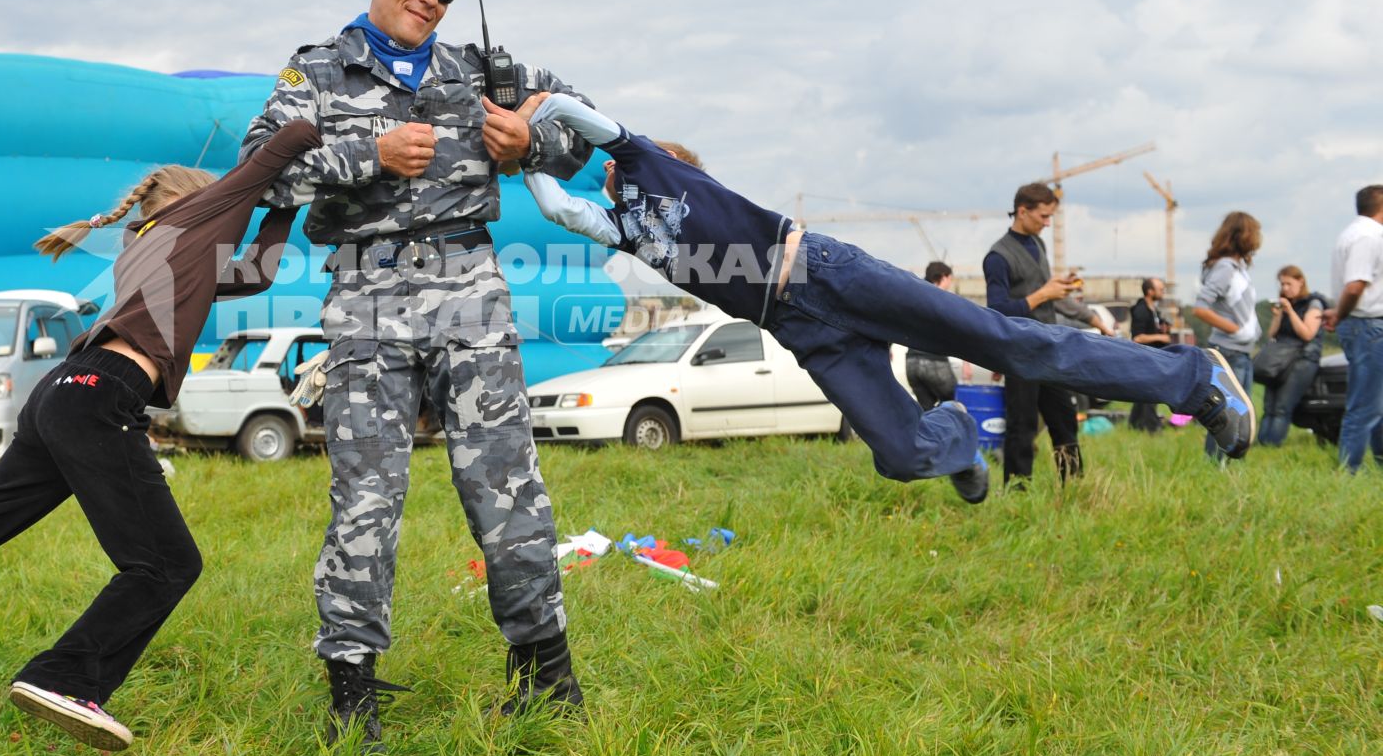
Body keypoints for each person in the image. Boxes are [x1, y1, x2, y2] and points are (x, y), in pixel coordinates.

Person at [0, 122, 320, 752]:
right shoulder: (188, 226)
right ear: (192, 205)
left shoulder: (145, 242)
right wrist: (318, 131)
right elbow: (283, 143)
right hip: (101, 396)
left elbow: (256, 273)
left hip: (64, 391)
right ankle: (65, 678)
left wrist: (284, 205)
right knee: (167, 565)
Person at [519, 95, 1255, 501]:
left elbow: (587, 117)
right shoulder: (622, 225)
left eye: (617, 169)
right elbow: (559, 209)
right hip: (803, 328)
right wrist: (523, 158)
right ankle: (957, 435)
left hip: (830, 273)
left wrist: (540, 109)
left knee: (1017, 344)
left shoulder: (657, 164)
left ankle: (1198, 378)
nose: (610, 181)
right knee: (901, 456)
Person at [241, 0, 600, 748]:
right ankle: (352, 691)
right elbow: (265, 170)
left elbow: (581, 133)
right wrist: (369, 150)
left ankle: (547, 676)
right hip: (365, 291)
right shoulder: (319, 69)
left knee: (506, 486)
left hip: (467, 285)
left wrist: (528, 141)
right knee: (366, 494)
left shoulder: (485, 68)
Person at [980, 184, 1085, 488]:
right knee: (1021, 427)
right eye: (1043, 216)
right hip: (1019, 353)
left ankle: (1075, 486)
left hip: (1049, 347)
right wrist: (1042, 294)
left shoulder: (1038, 244)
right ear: (1023, 211)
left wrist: (1057, 287)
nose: (1048, 223)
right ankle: (1017, 493)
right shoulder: (997, 257)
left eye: (1051, 216)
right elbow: (997, 311)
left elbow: (1040, 290)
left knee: (1065, 420)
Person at [1191, 211, 1261, 461]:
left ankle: (1225, 465)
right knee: (1228, 414)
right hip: (1230, 350)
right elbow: (1200, 307)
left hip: (1241, 351)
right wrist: (1234, 329)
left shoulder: (1237, 268)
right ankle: (1216, 465)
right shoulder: (1225, 268)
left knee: (1238, 414)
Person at [1326, 184, 1383, 472]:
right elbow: (1356, 284)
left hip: (1363, 325)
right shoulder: (1368, 236)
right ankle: (1350, 471)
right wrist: (1340, 314)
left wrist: (1339, 313)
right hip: (1369, 326)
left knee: (1376, 402)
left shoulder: (1354, 233)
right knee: (1365, 404)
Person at [1255, 266, 1327, 447]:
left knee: (1281, 406)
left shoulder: (1314, 303)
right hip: (1280, 360)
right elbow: (1272, 334)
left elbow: (1307, 334)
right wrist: (1279, 315)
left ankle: (1273, 444)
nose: (1285, 288)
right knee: (1269, 405)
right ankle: (1262, 443)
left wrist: (1291, 312)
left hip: (1302, 360)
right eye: (1282, 284)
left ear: (1300, 281)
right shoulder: (1286, 304)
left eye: (1289, 283)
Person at [904, 262, 959, 410]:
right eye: (950, 279)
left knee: (926, 412)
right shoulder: (944, 299)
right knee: (955, 405)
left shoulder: (915, 297)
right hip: (934, 363)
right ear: (943, 277)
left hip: (911, 363)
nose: (950, 284)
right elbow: (958, 331)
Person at [1127, 278, 1174, 432]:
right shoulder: (1141, 310)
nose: (1163, 292)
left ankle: (1135, 424)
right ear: (1150, 291)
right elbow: (1137, 338)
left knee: (1143, 394)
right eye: (1160, 289)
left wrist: (1163, 330)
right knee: (1151, 393)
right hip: (1143, 357)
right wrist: (1160, 337)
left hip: (1153, 356)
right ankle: (1152, 427)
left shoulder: (1153, 310)